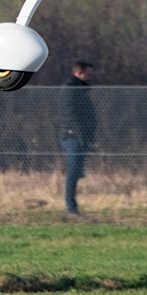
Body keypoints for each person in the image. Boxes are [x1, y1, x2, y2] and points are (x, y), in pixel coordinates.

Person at [58, 61, 96, 214]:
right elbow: (70, 115)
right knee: (73, 172)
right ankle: (71, 208)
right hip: (72, 138)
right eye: (88, 74)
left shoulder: (81, 90)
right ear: (79, 73)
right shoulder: (70, 91)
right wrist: (80, 136)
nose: (91, 77)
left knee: (77, 171)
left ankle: (72, 206)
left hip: (82, 138)